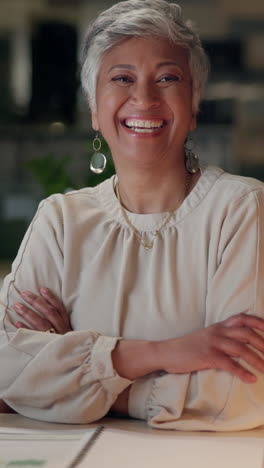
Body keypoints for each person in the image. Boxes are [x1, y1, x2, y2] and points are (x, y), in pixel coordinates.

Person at [1, 0, 264, 430]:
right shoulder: (60, 220)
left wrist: (81, 376)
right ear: (94, 109)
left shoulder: (240, 210)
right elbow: (7, 373)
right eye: (122, 78)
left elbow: (241, 394)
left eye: (167, 78)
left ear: (194, 104)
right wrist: (163, 353)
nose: (143, 97)